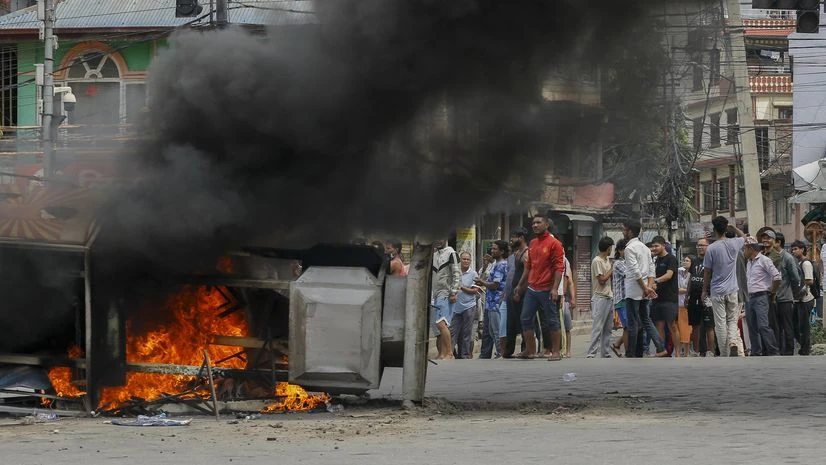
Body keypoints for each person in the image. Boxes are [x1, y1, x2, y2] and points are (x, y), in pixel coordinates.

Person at [514, 214, 566, 360]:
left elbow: (559, 267)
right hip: (531, 288)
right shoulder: (532, 243)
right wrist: (520, 285)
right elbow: (528, 267)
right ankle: (530, 350)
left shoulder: (554, 243)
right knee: (525, 318)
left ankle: (556, 351)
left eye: (538, 222)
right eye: (533, 223)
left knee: (551, 320)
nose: (535, 225)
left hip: (547, 289)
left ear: (546, 224)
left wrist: (555, 288)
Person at [701, 216, 745, 357]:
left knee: (720, 323)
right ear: (726, 229)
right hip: (732, 289)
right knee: (732, 319)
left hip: (717, 291)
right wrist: (735, 228)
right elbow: (747, 237)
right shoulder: (735, 243)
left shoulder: (711, 248)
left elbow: (707, 272)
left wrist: (704, 290)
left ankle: (725, 352)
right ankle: (733, 342)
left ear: (714, 230)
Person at [622, 220, 667, 358]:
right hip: (644, 289)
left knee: (633, 322)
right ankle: (660, 348)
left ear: (629, 231)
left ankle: (631, 353)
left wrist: (645, 288)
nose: (623, 232)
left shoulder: (629, 249)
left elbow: (636, 272)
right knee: (645, 320)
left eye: (624, 229)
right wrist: (648, 287)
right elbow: (651, 269)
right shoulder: (645, 248)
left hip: (634, 290)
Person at [761, 231, 800, 356]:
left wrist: (793, 294)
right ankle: (777, 350)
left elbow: (795, 278)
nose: (767, 243)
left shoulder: (787, 258)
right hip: (772, 296)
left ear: (778, 242)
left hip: (785, 297)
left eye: (771, 240)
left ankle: (789, 351)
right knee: (774, 326)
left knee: (787, 326)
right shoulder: (766, 256)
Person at [742, 237, 780, 356]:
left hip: (761, 296)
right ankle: (756, 351)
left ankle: (773, 351)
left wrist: (772, 292)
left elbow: (777, 277)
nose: (744, 251)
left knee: (763, 325)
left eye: (745, 249)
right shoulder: (749, 262)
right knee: (752, 326)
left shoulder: (764, 260)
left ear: (750, 248)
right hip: (749, 297)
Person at [476, 240, 508, 359]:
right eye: (492, 248)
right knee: (491, 329)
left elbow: (495, 285)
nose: (492, 251)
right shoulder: (497, 263)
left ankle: (501, 352)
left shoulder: (500, 265)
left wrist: (482, 282)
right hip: (491, 302)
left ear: (502, 251)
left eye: (495, 249)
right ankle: (500, 352)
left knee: (496, 330)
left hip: (496, 302)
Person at [431, 239, 462, 360]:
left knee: (441, 323)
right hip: (437, 294)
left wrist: (454, 292)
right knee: (441, 325)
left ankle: (449, 353)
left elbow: (457, 274)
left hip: (446, 293)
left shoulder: (451, 253)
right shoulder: (434, 255)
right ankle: (443, 353)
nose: (438, 240)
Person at [651, 236, 681, 357]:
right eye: (653, 246)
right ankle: (661, 350)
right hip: (657, 297)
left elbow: (669, 275)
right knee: (659, 325)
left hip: (670, 298)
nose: (654, 248)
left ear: (663, 245)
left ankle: (678, 353)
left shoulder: (671, 259)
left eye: (656, 246)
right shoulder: (655, 260)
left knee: (672, 324)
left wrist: (655, 281)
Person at [687, 238, 716, 357]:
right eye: (698, 245)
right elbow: (690, 278)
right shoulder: (694, 261)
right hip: (693, 296)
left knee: (709, 325)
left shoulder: (712, 260)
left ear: (708, 246)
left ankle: (711, 350)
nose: (700, 247)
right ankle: (696, 350)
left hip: (707, 296)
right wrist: (687, 295)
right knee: (695, 324)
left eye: (702, 245)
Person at [587, 236, 614, 358]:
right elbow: (602, 280)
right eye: (611, 248)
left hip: (609, 296)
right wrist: (612, 270)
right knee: (598, 327)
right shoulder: (597, 261)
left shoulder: (607, 260)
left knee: (608, 328)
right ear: (608, 248)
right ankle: (591, 353)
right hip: (600, 297)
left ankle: (605, 352)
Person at [503, 228, 529, 358]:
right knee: (511, 322)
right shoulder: (516, 253)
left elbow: (527, 272)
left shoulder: (526, 253)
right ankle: (508, 350)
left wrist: (520, 288)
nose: (511, 240)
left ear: (521, 238)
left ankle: (526, 349)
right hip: (513, 292)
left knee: (524, 321)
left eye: (514, 237)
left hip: (522, 293)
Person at [451, 251, 480, 359]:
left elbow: (475, 290)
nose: (466, 261)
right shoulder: (455, 272)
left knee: (466, 333)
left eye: (468, 259)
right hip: (455, 307)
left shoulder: (473, 274)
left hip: (469, 307)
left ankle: (465, 355)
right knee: (452, 332)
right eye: (464, 259)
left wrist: (461, 287)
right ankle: (451, 353)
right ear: (460, 260)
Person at [790, 241, 814, 356]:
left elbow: (810, 280)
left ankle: (806, 349)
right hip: (797, 299)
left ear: (802, 249)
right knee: (795, 325)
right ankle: (805, 346)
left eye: (796, 249)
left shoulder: (806, 264)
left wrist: (801, 288)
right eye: (793, 249)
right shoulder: (797, 263)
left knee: (804, 327)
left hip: (806, 299)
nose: (794, 251)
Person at [611, 239, 629, 357]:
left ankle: (617, 344)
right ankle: (628, 352)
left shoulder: (627, 262)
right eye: (624, 250)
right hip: (621, 299)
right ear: (619, 251)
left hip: (627, 299)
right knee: (627, 327)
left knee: (632, 326)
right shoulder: (619, 263)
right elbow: (630, 274)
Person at [677, 255, 693, 357]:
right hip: (678, 304)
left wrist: (684, 290)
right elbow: (676, 289)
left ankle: (687, 352)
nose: (685, 262)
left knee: (687, 330)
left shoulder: (693, 274)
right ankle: (678, 351)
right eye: (684, 260)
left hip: (688, 305)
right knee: (679, 329)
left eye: (688, 261)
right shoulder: (679, 272)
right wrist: (686, 290)